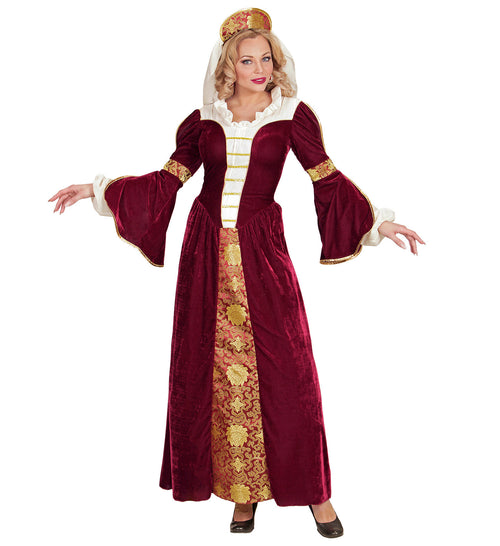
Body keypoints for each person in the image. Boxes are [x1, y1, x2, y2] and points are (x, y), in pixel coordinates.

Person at [48, 7, 424, 539]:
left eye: (266, 59)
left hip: (261, 251)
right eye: (247, 60)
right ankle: (241, 495)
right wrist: (100, 189)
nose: (259, 69)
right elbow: (170, 178)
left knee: (289, 372)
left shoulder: (292, 116)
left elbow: (326, 178)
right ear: (228, 65)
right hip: (205, 251)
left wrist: (378, 223)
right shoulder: (205, 120)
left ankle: (315, 494)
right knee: (212, 372)